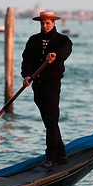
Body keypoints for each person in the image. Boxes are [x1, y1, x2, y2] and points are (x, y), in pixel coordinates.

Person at [21, 11, 72, 169]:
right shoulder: (33, 40)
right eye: (42, 23)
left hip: (52, 84)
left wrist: (55, 54)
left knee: (51, 120)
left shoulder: (62, 40)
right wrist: (27, 76)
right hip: (37, 84)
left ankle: (51, 158)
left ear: (53, 23)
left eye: (47, 23)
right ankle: (62, 154)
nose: (44, 26)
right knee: (49, 121)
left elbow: (67, 49)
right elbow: (27, 60)